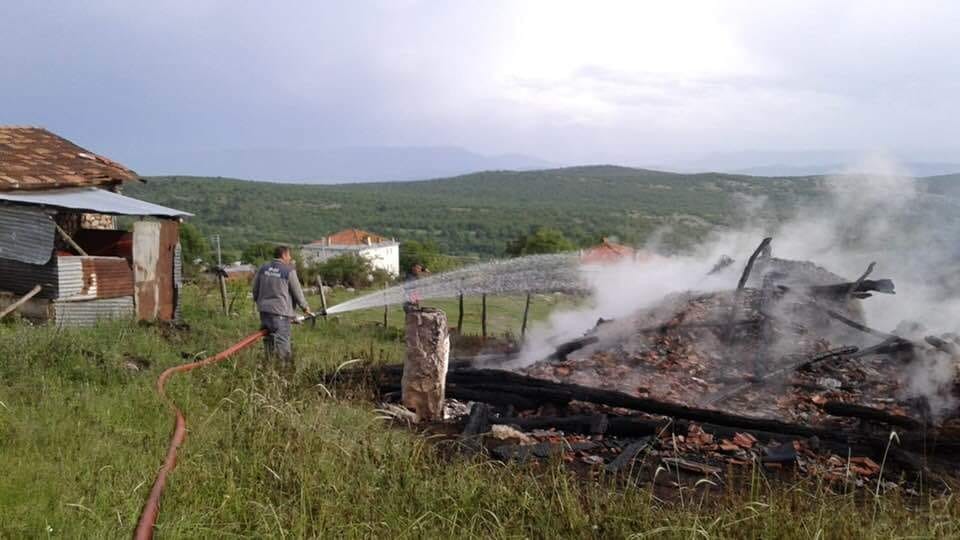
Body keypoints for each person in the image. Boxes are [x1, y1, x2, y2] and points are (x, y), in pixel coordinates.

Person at [252, 245, 313, 365]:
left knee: (269, 343)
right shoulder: (288, 270)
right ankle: (284, 373)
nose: (290, 258)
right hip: (280, 314)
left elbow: (255, 289)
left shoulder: (263, 268)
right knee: (282, 346)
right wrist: (305, 308)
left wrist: (259, 302)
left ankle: (269, 368)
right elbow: (297, 292)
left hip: (264, 312)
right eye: (289, 255)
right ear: (284, 255)